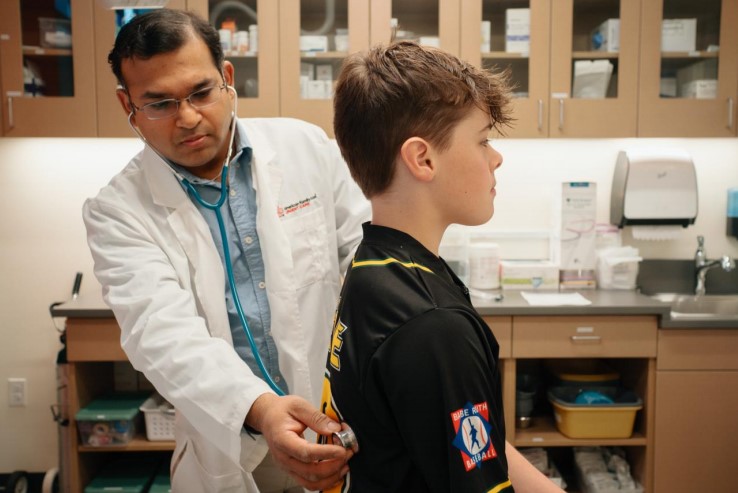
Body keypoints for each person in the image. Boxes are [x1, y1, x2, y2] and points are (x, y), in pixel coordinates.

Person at [83, 9, 369, 493]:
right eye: (159, 104)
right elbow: (164, 336)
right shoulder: (116, 210)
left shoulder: (305, 149)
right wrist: (261, 408)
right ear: (126, 104)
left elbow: (366, 263)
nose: (188, 117)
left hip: (338, 428)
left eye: (200, 92)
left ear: (227, 78)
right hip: (233, 443)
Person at [320, 41, 566, 492]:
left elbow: (466, 436)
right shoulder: (432, 325)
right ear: (423, 158)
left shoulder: (376, 265)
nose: (496, 157)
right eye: (483, 139)